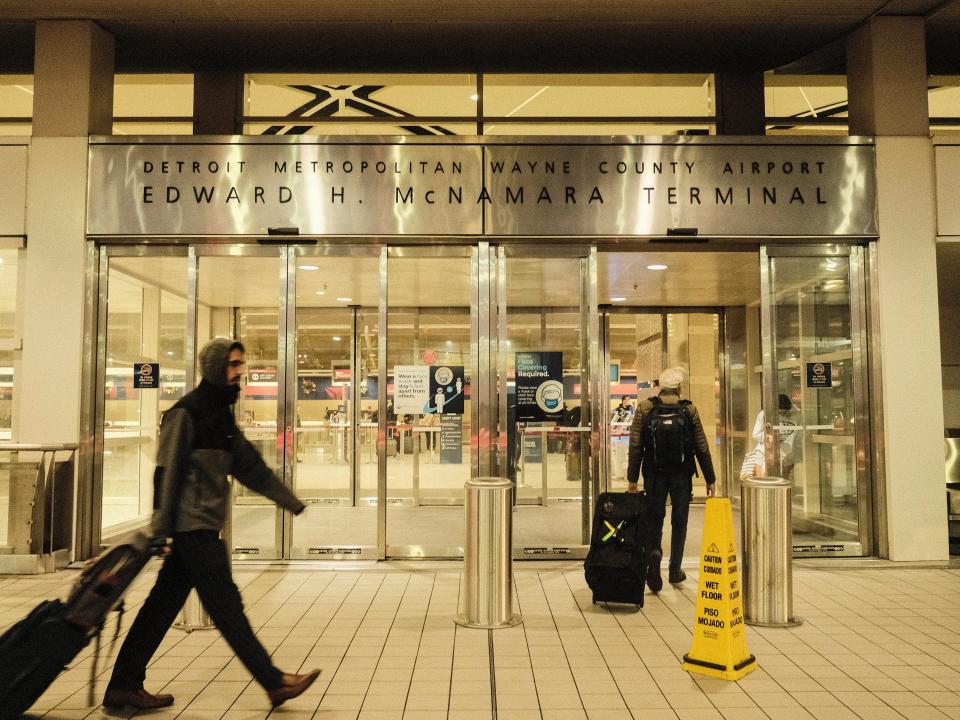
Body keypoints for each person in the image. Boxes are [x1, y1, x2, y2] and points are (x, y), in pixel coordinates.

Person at [103, 338, 320, 711]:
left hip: (200, 528)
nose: (240, 373)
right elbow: (166, 474)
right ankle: (273, 681)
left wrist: (290, 501)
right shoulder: (186, 413)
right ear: (216, 368)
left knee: (160, 608)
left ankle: (123, 685)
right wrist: (160, 529)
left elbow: (249, 465)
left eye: (241, 366)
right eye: (234, 366)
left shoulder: (221, 415)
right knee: (226, 606)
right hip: (192, 529)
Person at [626, 367, 716, 591]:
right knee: (680, 520)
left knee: (654, 519)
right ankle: (675, 569)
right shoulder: (689, 410)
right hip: (681, 475)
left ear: (660, 387)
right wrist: (710, 478)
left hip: (654, 474)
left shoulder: (646, 408)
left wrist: (632, 479)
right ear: (678, 388)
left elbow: (635, 445)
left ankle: (654, 555)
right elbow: (701, 446)